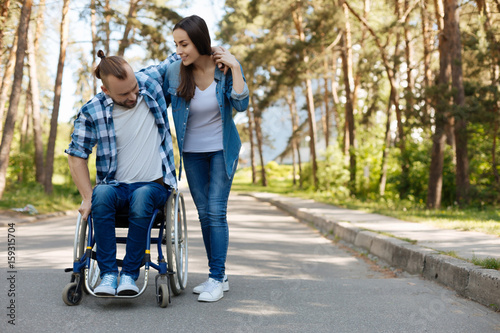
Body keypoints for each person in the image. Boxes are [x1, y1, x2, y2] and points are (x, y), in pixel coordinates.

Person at [65, 50, 179, 296]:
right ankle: (108, 274)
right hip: (115, 187)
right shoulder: (91, 111)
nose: (133, 96)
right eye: (124, 94)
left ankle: (128, 274)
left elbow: (177, 56)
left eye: (134, 88)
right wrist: (87, 196)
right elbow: (76, 155)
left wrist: (212, 51)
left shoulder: (149, 81)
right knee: (101, 195)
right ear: (106, 91)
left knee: (142, 197)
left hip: (154, 186)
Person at [164, 15, 249, 302]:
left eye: (184, 44)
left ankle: (215, 276)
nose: (179, 51)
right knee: (203, 214)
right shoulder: (175, 71)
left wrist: (235, 65)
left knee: (216, 211)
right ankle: (219, 275)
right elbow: (145, 80)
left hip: (222, 150)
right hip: (192, 153)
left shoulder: (224, 68)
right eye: (176, 45)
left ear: (199, 41)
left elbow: (242, 103)